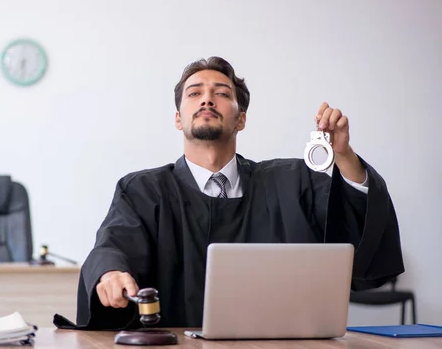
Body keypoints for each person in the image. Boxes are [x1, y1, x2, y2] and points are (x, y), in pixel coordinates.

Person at [68, 56, 404, 330]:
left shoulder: (293, 182)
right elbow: (113, 245)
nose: (207, 99)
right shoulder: (143, 190)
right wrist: (110, 272)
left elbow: (352, 230)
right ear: (177, 118)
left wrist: (344, 157)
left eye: (222, 93)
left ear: (241, 119)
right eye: (194, 92)